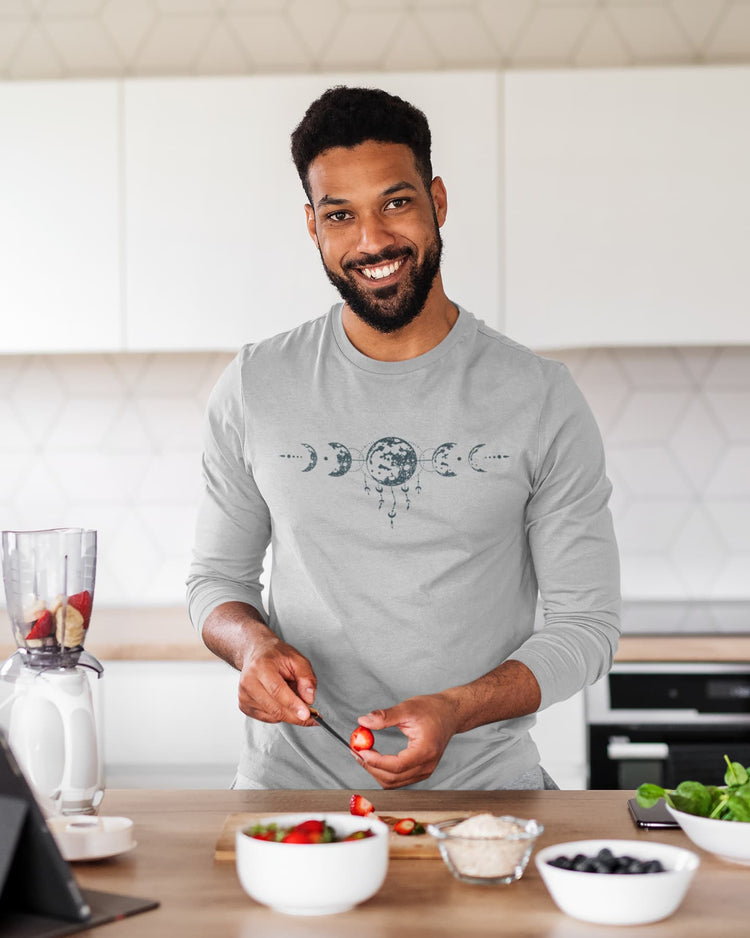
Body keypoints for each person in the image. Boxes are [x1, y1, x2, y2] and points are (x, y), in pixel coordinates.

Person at [186, 85, 620, 791]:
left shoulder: (541, 396)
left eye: (396, 203)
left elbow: (587, 627)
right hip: (290, 797)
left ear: (437, 202)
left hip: (487, 797)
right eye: (340, 215)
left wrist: (454, 710)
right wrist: (252, 646)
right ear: (312, 226)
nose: (372, 242)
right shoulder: (255, 385)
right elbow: (217, 583)